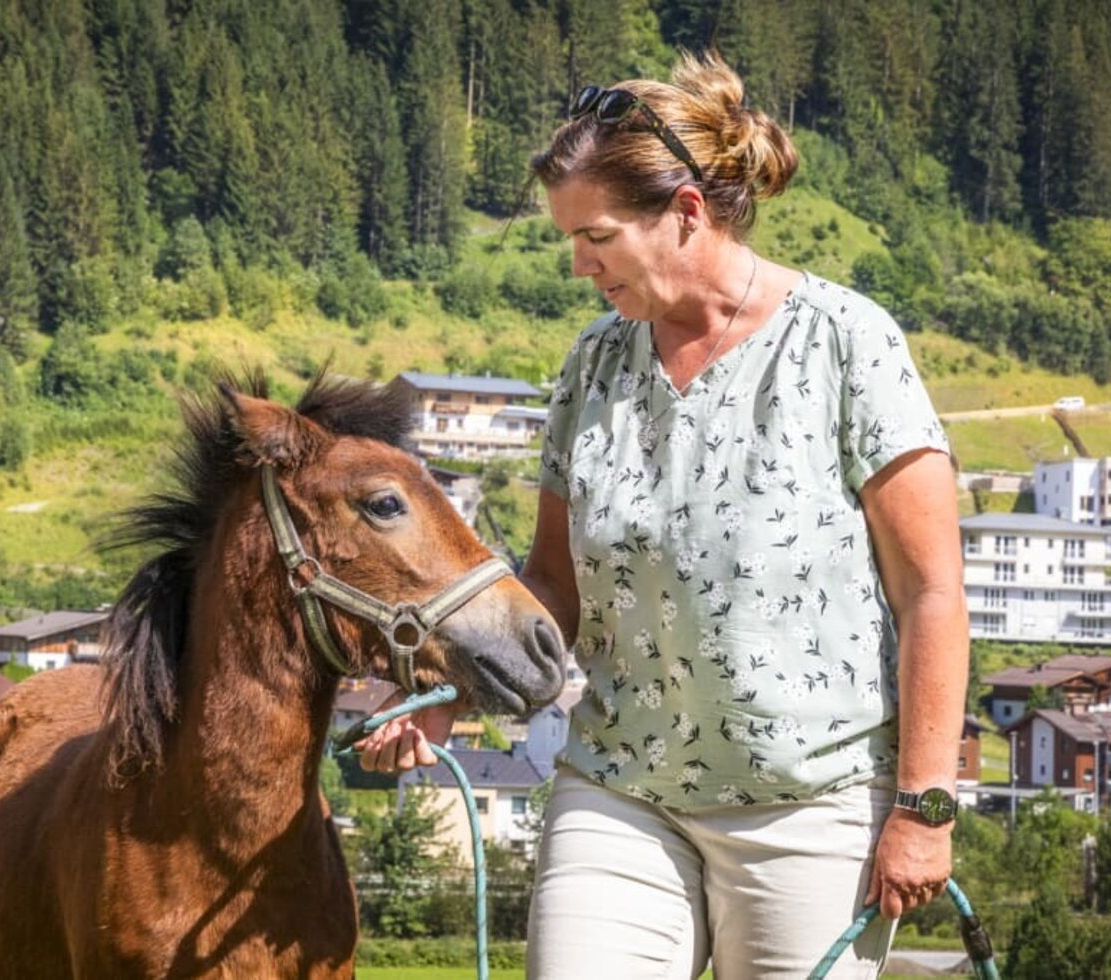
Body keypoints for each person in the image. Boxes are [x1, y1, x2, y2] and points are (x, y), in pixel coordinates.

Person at [358, 52, 968, 980]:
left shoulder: (849, 342)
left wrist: (924, 809)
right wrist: (454, 695)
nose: (578, 264)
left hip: (812, 806)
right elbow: (554, 586)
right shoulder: (593, 366)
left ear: (685, 213)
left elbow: (931, 592)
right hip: (619, 791)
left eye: (596, 235)